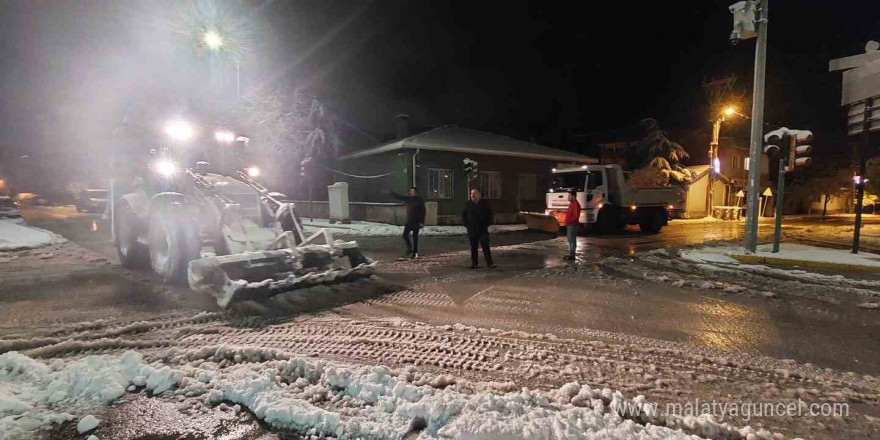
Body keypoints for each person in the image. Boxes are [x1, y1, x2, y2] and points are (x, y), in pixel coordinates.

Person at [461, 188, 495, 269]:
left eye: (475, 193)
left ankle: (490, 263)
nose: (473, 195)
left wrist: (487, 224)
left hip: (482, 229)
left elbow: (489, 215)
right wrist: (467, 225)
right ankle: (474, 263)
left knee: (485, 246)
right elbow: (463, 216)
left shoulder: (484, 204)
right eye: (471, 193)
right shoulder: (468, 204)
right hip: (472, 229)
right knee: (473, 248)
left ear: (479, 194)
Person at [389, 187, 426, 259]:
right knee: (405, 235)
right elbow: (401, 197)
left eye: (412, 191)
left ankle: (415, 253)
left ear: (416, 192)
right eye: (411, 191)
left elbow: (423, 211)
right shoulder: (409, 198)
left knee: (415, 237)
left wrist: (422, 222)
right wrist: (392, 193)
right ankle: (410, 248)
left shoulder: (419, 200)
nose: (410, 192)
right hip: (410, 221)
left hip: (417, 221)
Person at [563, 190, 581, 260]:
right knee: (570, 240)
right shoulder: (572, 204)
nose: (568, 197)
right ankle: (571, 254)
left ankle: (572, 255)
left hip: (572, 225)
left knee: (572, 240)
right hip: (570, 225)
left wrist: (570, 221)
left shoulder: (575, 204)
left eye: (570, 196)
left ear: (574, 196)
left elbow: (575, 216)